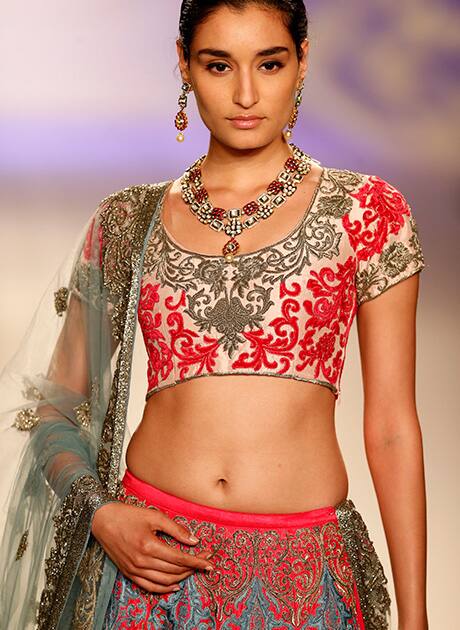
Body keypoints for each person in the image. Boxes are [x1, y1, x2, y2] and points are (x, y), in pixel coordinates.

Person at [0, 1, 429, 628]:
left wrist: (416, 619)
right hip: (151, 573)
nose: (246, 93)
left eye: (271, 63)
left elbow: (392, 427)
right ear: (183, 64)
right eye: (218, 65)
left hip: (306, 576)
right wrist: (101, 513)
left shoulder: (366, 212)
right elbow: (57, 407)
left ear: (303, 61)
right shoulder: (128, 222)